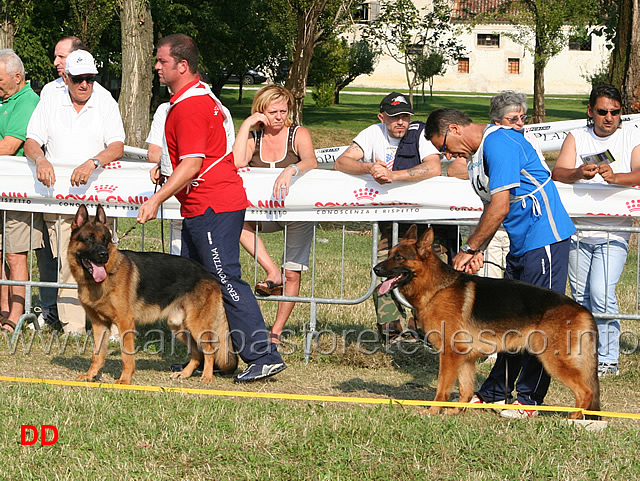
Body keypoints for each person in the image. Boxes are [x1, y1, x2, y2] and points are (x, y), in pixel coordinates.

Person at [137, 33, 286, 382]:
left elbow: (191, 165)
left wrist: (156, 198)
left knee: (224, 279)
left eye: (162, 62)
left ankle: (263, 355)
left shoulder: (190, 105)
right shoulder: (196, 98)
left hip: (212, 207)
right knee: (194, 285)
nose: (156, 67)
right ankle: (202, 359)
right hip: (202, 206)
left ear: (182, 65)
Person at [425, 107, 575, 418]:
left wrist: (469, 247)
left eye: (443, 147)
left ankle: (529, 400)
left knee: (539, 322)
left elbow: (501, 205)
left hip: (544, 237)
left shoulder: (499, 143)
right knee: (510, 323)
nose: (446, 155)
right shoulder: (478, 154)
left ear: (454, 129)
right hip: (521, 243)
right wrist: (481, 248)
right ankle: (495, 391)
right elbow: (491, 208)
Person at [24, 49, 125, 335]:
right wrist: (40, 159)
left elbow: (116, 145)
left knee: (106, 259)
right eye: (79, 79)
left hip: (101, 197)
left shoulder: (105, 100)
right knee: (71, 264)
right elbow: (32, 141)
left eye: (90, 79)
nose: (85, 85)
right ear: (66, 77)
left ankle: (112, 326)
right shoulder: (50, 98)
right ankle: (73, 328)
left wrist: (94, 162)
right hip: (61, 198)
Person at [335, 92, 448, 344]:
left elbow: (433, 166)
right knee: (383, 271)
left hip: (424, 222)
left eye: (405, 117)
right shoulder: (371, 134)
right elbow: (341, 163)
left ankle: (424, 331)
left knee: (431, 276)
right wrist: (369, 167)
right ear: (381, 117)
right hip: (389, 223)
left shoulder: (420, 134)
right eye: (395, 117)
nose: (401, 122)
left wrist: (393, 175)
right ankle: (393, 333)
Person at [552, 84, 640, 378]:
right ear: (590, 111)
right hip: (577, 230)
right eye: (602, 111)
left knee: (602, 294)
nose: (609, 117)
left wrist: (617, 178)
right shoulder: (577, 136)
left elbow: (639, 172)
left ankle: (608, 358)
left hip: (614, 231)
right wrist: (578, 172)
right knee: (579, 296)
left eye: (615, 112)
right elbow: (559, 172)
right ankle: (584, 352)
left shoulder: (632, 135)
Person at [233, 84, 317, 344]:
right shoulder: (254, 136)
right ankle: (272, 272)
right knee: (236, 222)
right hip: (263, 211)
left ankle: (276, 332)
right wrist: (247, 125)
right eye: (273, 111)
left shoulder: (298, 133)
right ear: (261, 112)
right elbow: (237, 162)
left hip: (297, 210)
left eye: (284, 110)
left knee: (293, 271)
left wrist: (290, 169)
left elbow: (311, 160)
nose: (279, 116)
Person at [0, 49, 43, 332]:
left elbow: (9, 146)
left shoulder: (28, 101)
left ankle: (15, 316)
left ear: (17, 77)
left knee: (15, 254)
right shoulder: (4, 99)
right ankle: (2, 310)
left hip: (17, 191)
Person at [40, 36, 112, 98]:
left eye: (61, 57)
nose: (55, 63)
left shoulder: (102, 96)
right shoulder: (49, 90)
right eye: (55, 57)